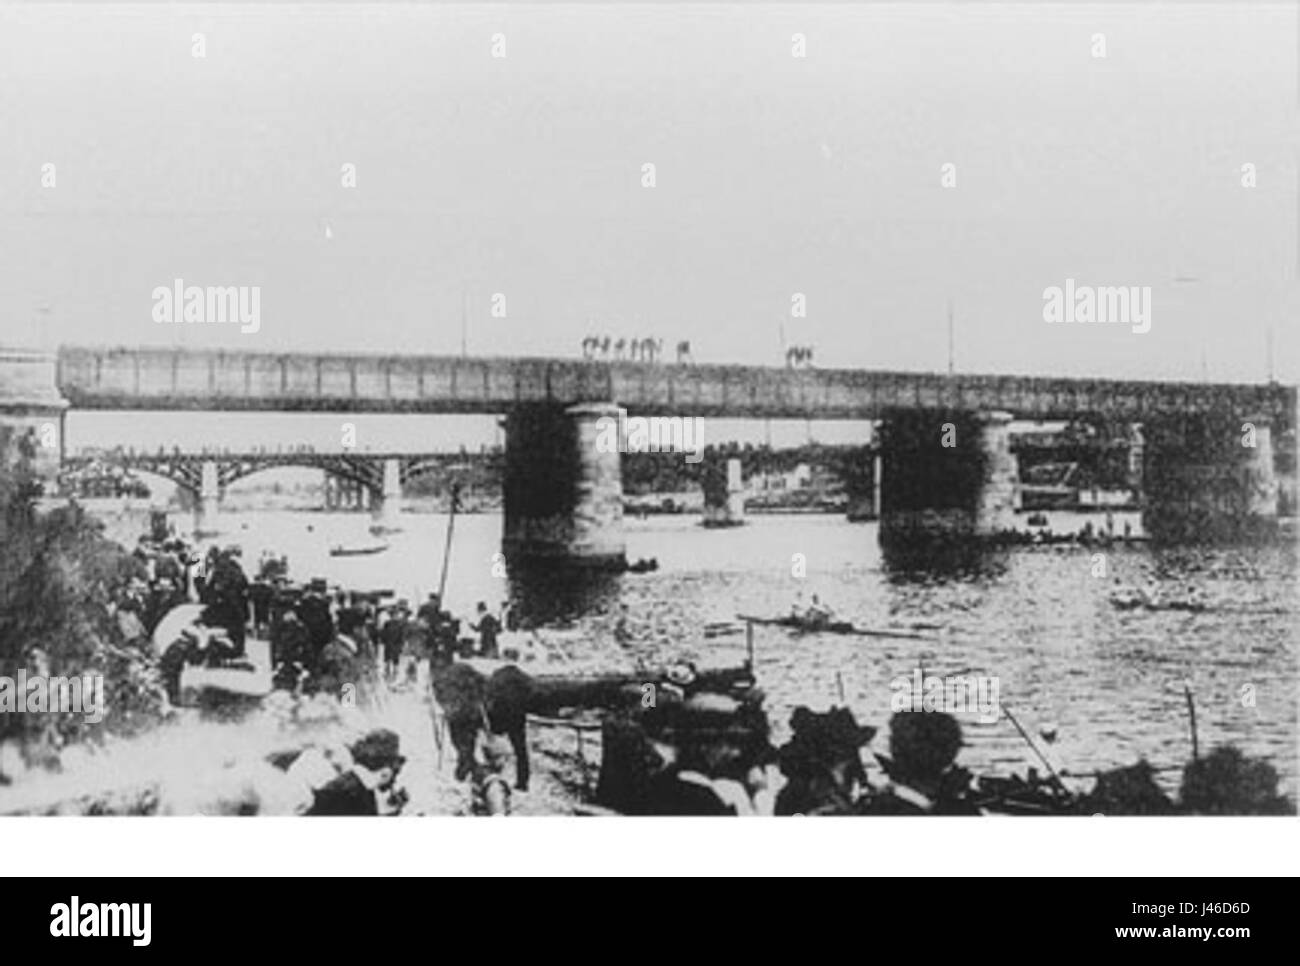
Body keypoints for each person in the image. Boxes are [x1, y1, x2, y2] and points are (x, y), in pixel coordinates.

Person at [306, 729, 407, 816]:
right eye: (397, 772)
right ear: (386, 773)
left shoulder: (357, 786)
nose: (395, 782)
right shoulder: (349, 793)